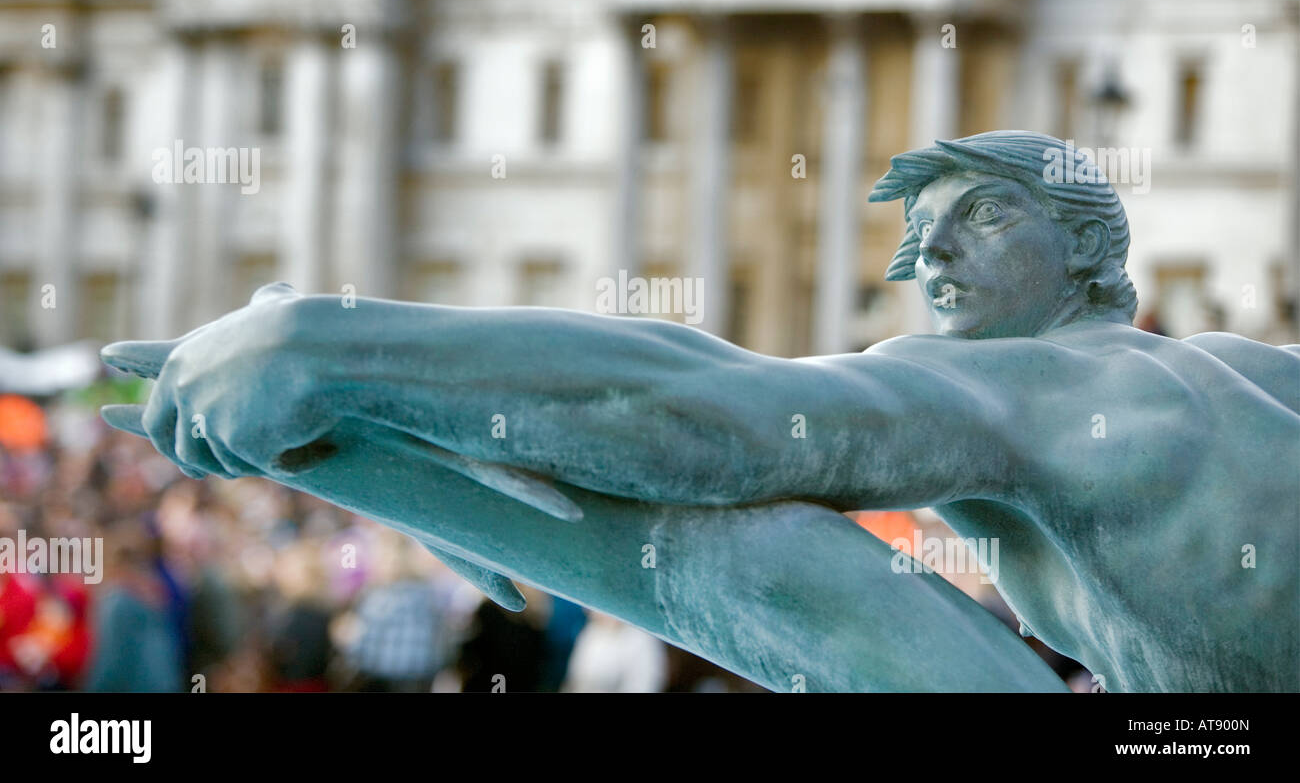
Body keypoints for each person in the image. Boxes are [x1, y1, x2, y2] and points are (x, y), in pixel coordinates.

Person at [100, 131, 1299, 692]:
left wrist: (328, 342)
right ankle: (370, 451)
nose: (927, 252)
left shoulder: (1072, 381)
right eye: (913, 231)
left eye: (981, 213)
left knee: (763, 544)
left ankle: (354, 437)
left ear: (1093, 257)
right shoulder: (1243, 373)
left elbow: (704, 415)